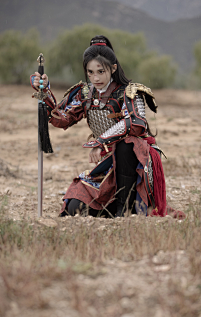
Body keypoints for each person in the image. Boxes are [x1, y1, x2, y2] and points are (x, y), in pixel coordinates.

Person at [30, 35, 185, 219]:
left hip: (135, 161)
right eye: (90, 72)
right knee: (74, 208)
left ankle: (125, 210)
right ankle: (121, 209)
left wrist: (100, 141)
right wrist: (45, 91)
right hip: (107, 163)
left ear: (113, 68)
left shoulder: (129, 91)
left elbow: (135, 123)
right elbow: (61, 119)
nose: (95, 78)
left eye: (100, 72)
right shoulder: (84, 93)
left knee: (127, 144)